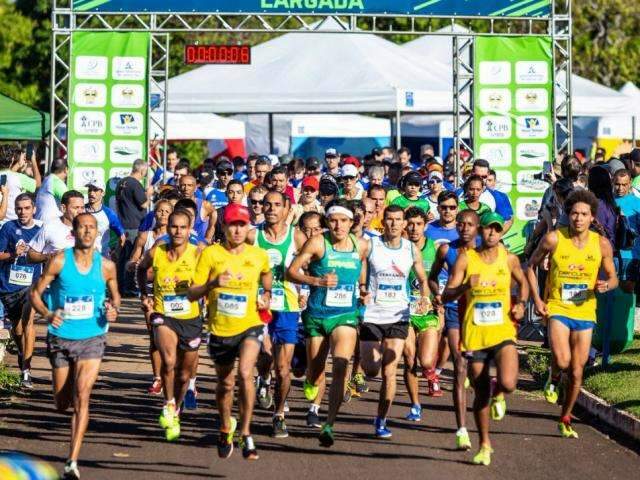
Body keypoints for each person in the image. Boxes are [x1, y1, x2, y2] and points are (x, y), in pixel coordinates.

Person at [30, 212, 120, 480]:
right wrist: (47, 314)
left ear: (97, 232)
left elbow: (116, 299)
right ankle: (63, 399)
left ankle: (72, 461)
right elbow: (35, 293)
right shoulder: (59, 260)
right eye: (83, 227)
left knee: (83, 395)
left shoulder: (106, 266)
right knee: (62, 402)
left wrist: (113, 310)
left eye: (92, 228)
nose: (88, 232)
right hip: (61, 337)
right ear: (75, 231)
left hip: (93, 337)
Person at [526, 190, 617, 439]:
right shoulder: (554, 239)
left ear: (592, 217)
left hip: (585, 310)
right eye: (574, 213)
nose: (578, 218)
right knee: (563, 360)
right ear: (569, 215)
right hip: (558, 306)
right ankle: (554, 376)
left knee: (577, 370)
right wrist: (536, 299)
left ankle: (565, 417)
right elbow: (531, 266)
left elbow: (613, 277)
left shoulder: (601, 243)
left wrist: (606, 285)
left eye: (584, 214)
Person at [443, 212, 528, 465]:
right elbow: (447, 295)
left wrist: (521, 304)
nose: (492, 233)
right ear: (480, 231)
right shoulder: (466, 259)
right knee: (480, 393)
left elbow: (522, 283)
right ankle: (484, 444)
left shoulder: (509, 259)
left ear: (501, 232)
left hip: (502, 331)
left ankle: (499, 391)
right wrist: (465, 286)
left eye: (496, 229)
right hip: (475, 335)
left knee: (509, 382)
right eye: (488, 229)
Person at [188, 203, 272, 460]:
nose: (236, 230)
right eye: (232, 224)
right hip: (220, 329)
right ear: (223, 226)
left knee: (246, 373)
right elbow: (192, 292)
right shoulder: (211, 254)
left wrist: (266, 294)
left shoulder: (258, 255)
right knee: (225, 383)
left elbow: (267, 276)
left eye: (242, 225)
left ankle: (246, 433)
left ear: (248, 228)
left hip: (250, 324)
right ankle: (226, 426)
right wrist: (213, 283)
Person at [286, 199, 368, 447]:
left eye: (343, 221)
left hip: (345, 315)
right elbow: (292, 271)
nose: (338, 226)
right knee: (316, 370)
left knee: (341, 364)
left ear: (352, 222)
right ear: (327, 222)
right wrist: (317, 281)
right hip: (318, 315)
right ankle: (311, 380)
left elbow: (362, 264)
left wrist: (363, 287)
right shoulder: (317, 243)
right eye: (333, 221)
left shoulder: (362, 245)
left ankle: (329, 424)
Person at [359, 205, 431, 438]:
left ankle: (381, 420)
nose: (393, 224)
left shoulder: (411, 250)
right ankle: (365, 372)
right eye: (389, 219)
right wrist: (362, 287)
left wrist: (424, 297)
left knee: (390, 372)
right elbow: (361, 265)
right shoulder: (372, 246)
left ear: (403, 224)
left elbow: (422, 278)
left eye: (398, 220)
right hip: (372, 315)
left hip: (399, 316)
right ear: (384, 221)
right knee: (371, 370)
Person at [137, 209, 202, 442]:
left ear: (189, 229)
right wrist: (144, 295)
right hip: (164, 314)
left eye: (182, 227)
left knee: (184, 374)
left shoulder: (199, 253)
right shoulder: (158, 251)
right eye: (173, 226)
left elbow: (212, 278)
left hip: (191, 318)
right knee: (169, 360)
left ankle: (178, 403)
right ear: (167, 227)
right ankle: (169, 402)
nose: (177, 231)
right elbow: (140, 268)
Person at [249, 190, 306, 438]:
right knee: (265, 354)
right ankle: (263, 378)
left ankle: (279, 414)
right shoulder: (253, 236)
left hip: (288, 308)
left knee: (283, 369)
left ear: (286, 209)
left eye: (276, 205)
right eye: (267, 204)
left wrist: (306, 287)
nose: (270, 209)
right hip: (258, 307)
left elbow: (312, 262)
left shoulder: (296, 236)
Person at [429, 209, 479, 451]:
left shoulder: (487, 250)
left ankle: (496, 393)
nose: (465, 227)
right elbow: (432, 276)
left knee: (480, 368)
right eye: (461, 223)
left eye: (470, 224)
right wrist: (437, 294)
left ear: (477, 227)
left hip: (481, 315)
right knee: (460, 363)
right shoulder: (446, 249)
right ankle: (462, 428)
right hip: (453, 311)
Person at [128, 199, 173, 394]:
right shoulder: (145, 236)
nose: (162, 214)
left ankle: (171, 372)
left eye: (166, 212)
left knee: (171, 334)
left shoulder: (176, 238)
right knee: (154, 335)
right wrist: (133, 264)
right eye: (159, 211)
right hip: (148, 290)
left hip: (170, 291)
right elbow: (132, 258)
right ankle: (157, 378)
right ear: (154, 214)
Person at [402, 207, 441, 422]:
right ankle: (415, 404)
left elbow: (440, 278)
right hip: (404, 311)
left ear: (425, 225)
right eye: (410, 223)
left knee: (425, 361)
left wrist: (438, 300)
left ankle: (431, 373)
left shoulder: (435, 248)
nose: (414, 228)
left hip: (428, 312)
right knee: (409, 359)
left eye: (418, 224)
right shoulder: (400, 248)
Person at [0, 193, 42, 388]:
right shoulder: (8, 227)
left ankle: (26, 370)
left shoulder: (42, 229)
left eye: (26, 208)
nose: (22, 212)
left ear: (34, 209)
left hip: (31, 286)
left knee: (29, 323)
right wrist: (11, 254)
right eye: (19, 208)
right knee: (17, 329)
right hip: (9, 286)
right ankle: (21, 350)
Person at [115, 159, 154, 294]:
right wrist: (148, 194)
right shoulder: (135, 184)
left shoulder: (121, 183)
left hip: (123, 225)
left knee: (122, 258)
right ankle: (129, 287)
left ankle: (120, 287)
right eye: (145, 172)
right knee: (132, 258)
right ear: (142, 170)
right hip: (134, 226)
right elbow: (143, 204)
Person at [28, 191, 85, 264]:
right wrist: (51, 256)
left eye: (82, 208)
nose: (80, 211)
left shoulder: (87, 228)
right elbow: (29, 256)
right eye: (76, 208)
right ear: (63, 208)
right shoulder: (50, 226)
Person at [613, 169, 640, 292]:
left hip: (630, 255)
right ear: (613, 182)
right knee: (611, 291)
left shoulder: (637, 203)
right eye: (617, 184)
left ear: (629, 184)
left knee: (627, 291)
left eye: (624, 184)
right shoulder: (608, 201)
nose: (620, 188)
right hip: (611, 255)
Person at [84, 179, 126, 259]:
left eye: (95, 190)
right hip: (82, 257)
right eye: (90, 190)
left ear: (103, 193)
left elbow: (122, 237)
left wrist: (116, 253)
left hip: (102, 258)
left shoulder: (109, 213)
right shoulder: (81, 210)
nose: (91, 193)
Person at [0, 145, 40, 223]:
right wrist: (33, 161)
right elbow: (38, 184)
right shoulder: (19, 178)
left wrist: (18, 164)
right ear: (12, 160)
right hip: (14, 224)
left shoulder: (9, 176)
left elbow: (8, 173)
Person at [178, 175, 216, 243]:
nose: (186, 188)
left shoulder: (205, 205)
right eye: (183, 185)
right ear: (179, 187)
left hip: (199, 247)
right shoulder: (175, 206)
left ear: (195, 188)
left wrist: (208, 238)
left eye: (189, 185)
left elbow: (214, 217)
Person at [35, 157, 67, 222]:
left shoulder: (47, 180)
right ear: (66, 169)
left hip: (41, 222)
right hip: (51, 224)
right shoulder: (56, 182)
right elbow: (71, 202)